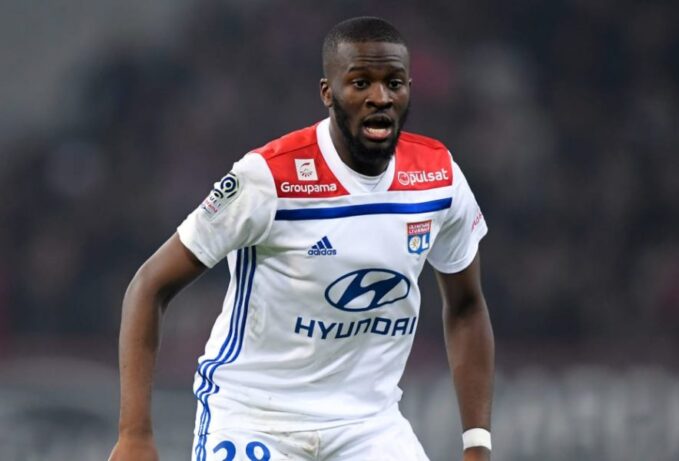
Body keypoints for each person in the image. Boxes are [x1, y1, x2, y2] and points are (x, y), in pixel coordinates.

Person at [109, 16, 494, 461]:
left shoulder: (438, 177)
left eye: (394, 83)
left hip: (369, 426)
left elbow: (467, 307)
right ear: (328, 92)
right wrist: (134, 434)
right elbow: (149, 286)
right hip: (254, 418)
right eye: (361, 83)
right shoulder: (267, 177)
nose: (380, 97)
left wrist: (477, 444)